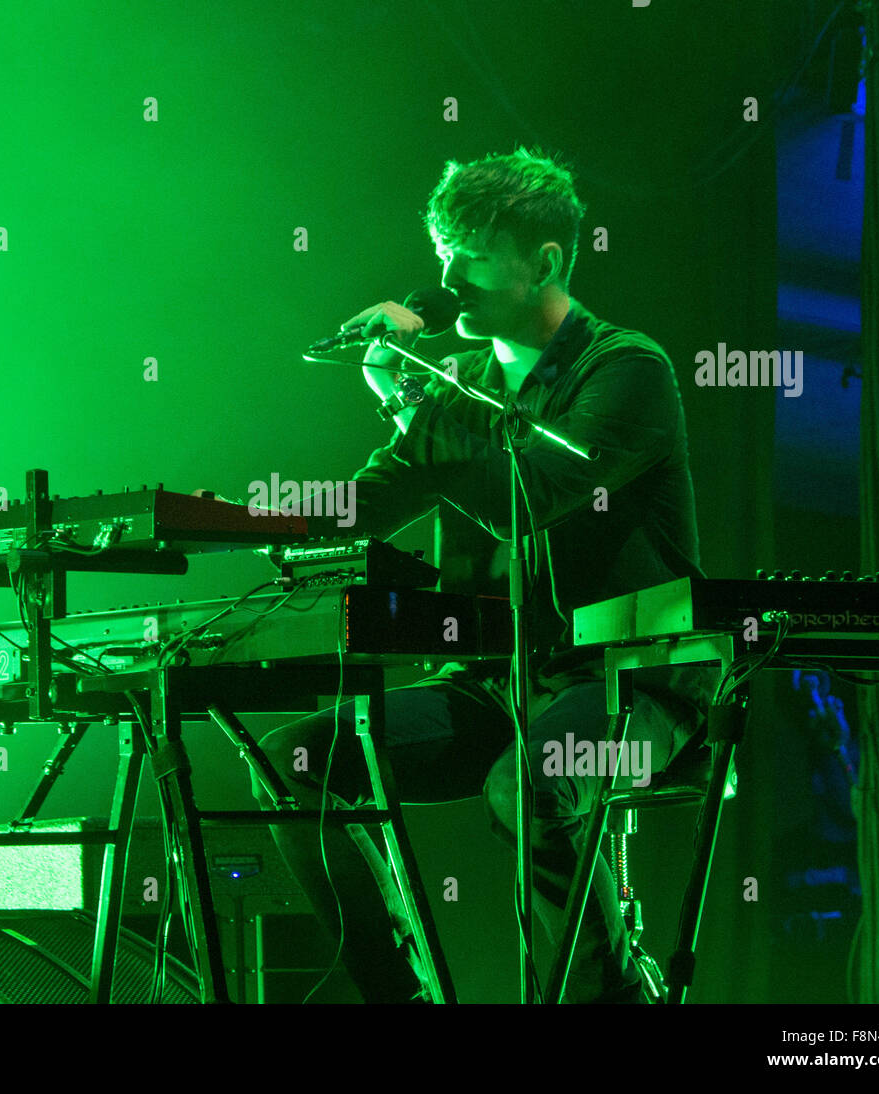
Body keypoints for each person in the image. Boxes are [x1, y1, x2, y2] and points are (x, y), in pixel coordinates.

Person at [248, 147, 717, 1003]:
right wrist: (241, 513)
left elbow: (531, 497)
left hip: (637, 677)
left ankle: (614, 999)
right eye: (440, 252)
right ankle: (404, 997)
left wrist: (413, 404)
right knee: (299, 761)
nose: (446, 277)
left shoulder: (625, 371)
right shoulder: (457, 385)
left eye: (470, 253)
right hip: (497, 680)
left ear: (544, 261)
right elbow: (368, 504)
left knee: (530, 781)